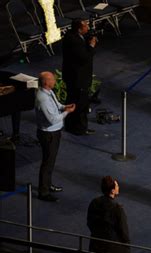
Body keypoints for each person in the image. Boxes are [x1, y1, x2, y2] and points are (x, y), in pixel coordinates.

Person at [35, 71, 76, 202]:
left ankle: (48, 184)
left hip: (54, 133)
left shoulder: (49, 92)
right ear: (46, 82)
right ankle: (43, 192)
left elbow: (57, 105)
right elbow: (52, 119)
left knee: (51, 161)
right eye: (52, 79)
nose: (55, 81)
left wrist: (64, 107)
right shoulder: (43, 99)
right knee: (47, 162)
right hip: (48, 134)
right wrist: (67, 113)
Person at [62, 19, 97, 135]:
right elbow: (85, 58)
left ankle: (70, 125)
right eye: (85, 26)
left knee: (72, 101)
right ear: (79, 29)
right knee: (80, 104)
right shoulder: (74, 41)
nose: (88, 27)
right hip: (78, 79)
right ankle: (79, 129)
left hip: (73, 77)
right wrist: (91, 46)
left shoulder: (72, 36)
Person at [87, 176, 130, 253]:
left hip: (96, 245)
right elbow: (123, 230)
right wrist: (126, 242)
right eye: (117, 186)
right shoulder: (117, 208)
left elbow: (90, 222)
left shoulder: (94, 202)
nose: (118, 187)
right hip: (112, 249)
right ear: (112, 191)